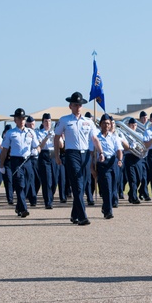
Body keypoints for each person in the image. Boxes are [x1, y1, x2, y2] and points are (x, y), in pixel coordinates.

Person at [54, 91, 101, 226]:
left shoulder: (88, 122)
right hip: (72, 154)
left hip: (85, 154)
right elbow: (56, 137)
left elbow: (95, 138)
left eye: (80, 105)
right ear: (70, 106)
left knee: (83, 184)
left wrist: (101, 152)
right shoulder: (64, 120)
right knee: (78, 185)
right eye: (75, 104)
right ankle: (82, 216)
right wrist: (57, 155)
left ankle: (74, 214)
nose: (78, 107)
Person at [0, 108, 39, 218]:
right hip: (16, 161)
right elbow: (5, 149)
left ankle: (19, 206)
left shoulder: (31, 132)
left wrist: (36, 150)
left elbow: (37, 146)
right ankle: (24, 209)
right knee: (20, 185)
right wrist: (1, 164)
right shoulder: (10, 133)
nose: (21, 120)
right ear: (15, 120)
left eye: (23, 118)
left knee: (27, 184)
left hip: (28, 161)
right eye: (19, 118)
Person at [93, 114, 123, 219]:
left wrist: (119, 159)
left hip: (113, 162)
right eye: (104, 123)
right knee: (107, 187)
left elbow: (119, 150)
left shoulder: (114, 137)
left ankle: (105, 206)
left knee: (114, 187)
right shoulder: (96, 137)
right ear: (100, 124)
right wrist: (92, 168)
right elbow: (92, 153)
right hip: (102, 163)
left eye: (108, 123)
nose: (106, 125)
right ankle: (108, 211)